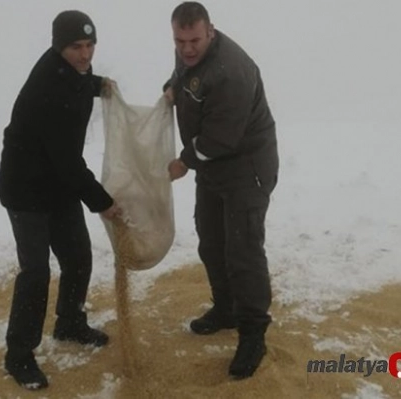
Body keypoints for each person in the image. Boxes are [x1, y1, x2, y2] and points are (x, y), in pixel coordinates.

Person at [0, 10, 122, 390]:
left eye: (90, 45)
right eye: (76, 48)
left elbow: (81, 81)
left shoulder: (74, 72)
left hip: (57, 185)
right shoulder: (47, 89)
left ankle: (69, 322)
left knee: (78, 257)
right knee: (36, 272)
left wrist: (101, 84)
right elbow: (68, 162)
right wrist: (103, 202)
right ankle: (19, 355)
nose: (85, 55)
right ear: (58, 48)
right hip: (26, 189)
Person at [163, 2, 279, 379]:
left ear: (210, 31)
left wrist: (183, 162)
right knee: (211, 241)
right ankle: (226, 308)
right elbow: (185, 75)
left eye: (194, 40)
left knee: (242, 251)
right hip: (213, 169)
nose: (187, 49)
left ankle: (253, 333)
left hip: (246, 168)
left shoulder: (232, 72)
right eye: (180, 41)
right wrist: (171, 88)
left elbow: (219, 139)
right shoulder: (189, 54)